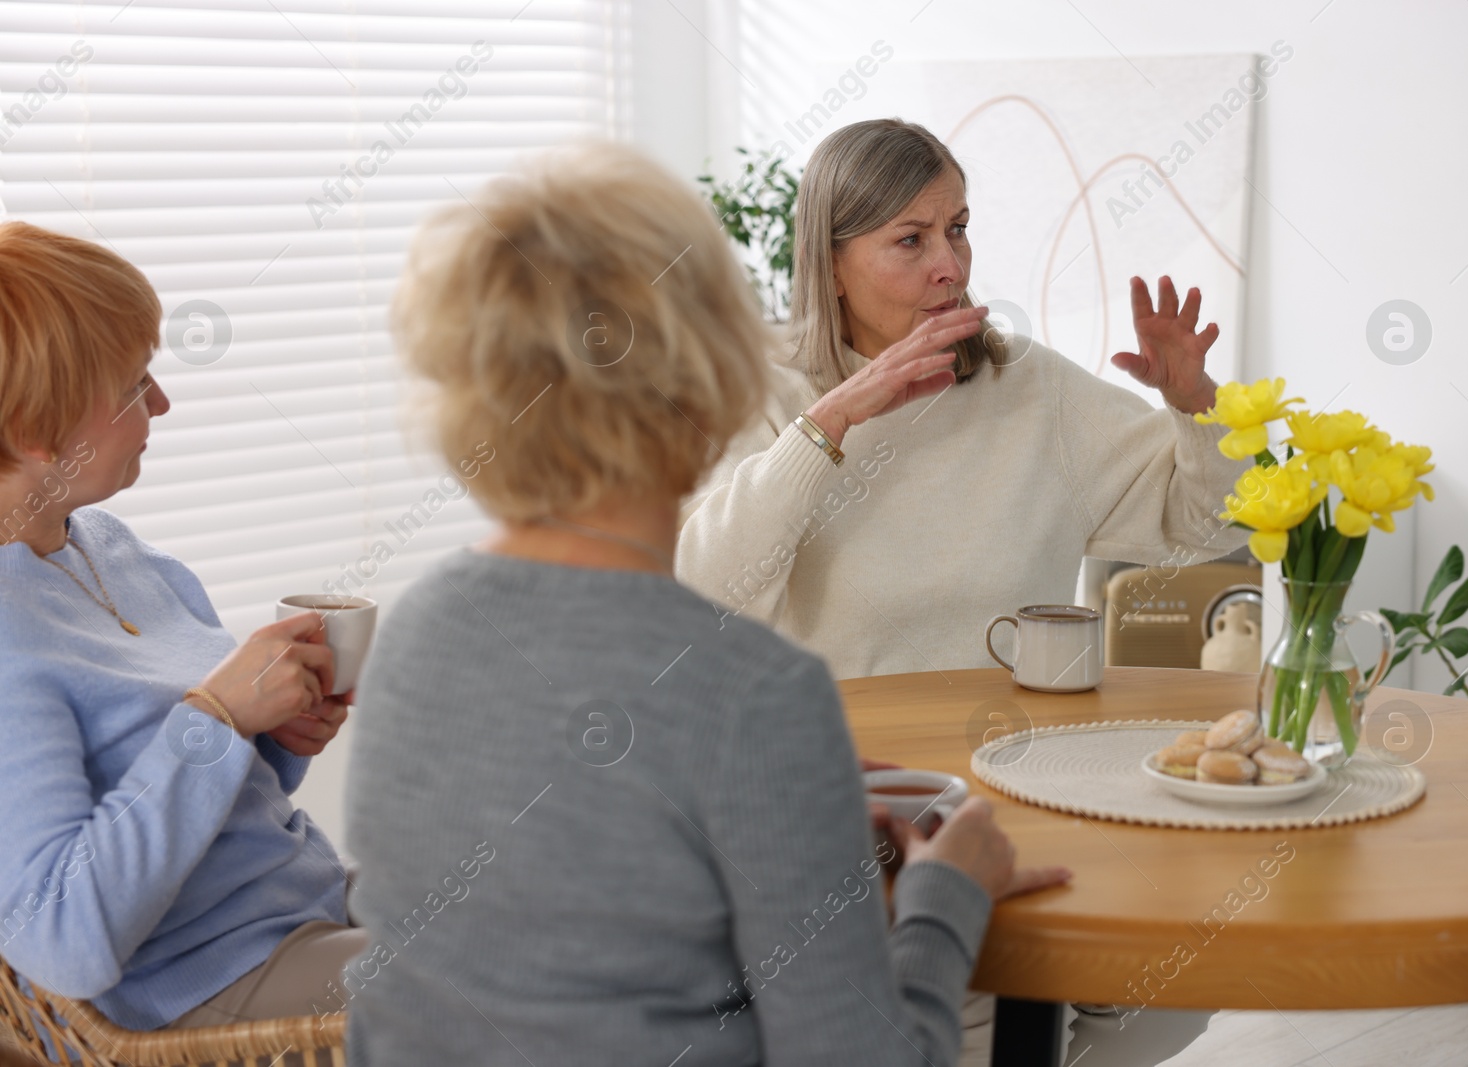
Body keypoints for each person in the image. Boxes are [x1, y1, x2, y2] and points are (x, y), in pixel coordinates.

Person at [340, 140, 1068, 1067]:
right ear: (714, 374)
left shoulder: (417, 632)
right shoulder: (757, 691)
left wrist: (796, 839)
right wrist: (947, 898)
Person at [674, 118, 1251, 1064]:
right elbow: (707, 588)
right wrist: (834, 421)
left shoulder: (1031, 390)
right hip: (841, 816)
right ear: (830, 265)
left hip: (1021, 793)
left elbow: (1200, 524)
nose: (951, 264)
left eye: (960, 228)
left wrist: (1197, 407)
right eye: (911, 239)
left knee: (1177, 973)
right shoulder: (763, 396)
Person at [0, 222, 365, 1039]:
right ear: (35, 428)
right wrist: (218, 718)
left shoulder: (117, 551)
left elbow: (201, 793)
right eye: (134, 387)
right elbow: (62, 940)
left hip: (304, 905)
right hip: (210, 978)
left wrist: (277, 738)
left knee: (597, 914)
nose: (161, 402)